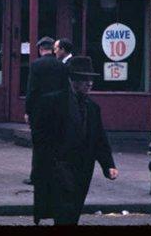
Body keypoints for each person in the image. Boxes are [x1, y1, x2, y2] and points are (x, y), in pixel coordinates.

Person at [31, 56, 118, 225]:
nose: (89, 83)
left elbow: (99, 139)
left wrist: (108, 165)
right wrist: (45, 166)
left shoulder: (92, 108)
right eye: (84, 79)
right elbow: (40, 138)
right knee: (63, 213)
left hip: (82, 169)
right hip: (59, 167)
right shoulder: (51, 102)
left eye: (91, 79)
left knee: (73, 213)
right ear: (72, 80)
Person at [23, 36, 68, 186]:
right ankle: (54, 175)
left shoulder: (36, 65)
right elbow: (65, 89)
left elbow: (32, 90)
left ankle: (36, 176)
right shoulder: (61, 65)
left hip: (40, 111)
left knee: (39, 145)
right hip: (57, 111)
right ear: (52, 48)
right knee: (55, 144)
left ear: (41, 49)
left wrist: (28, 111)